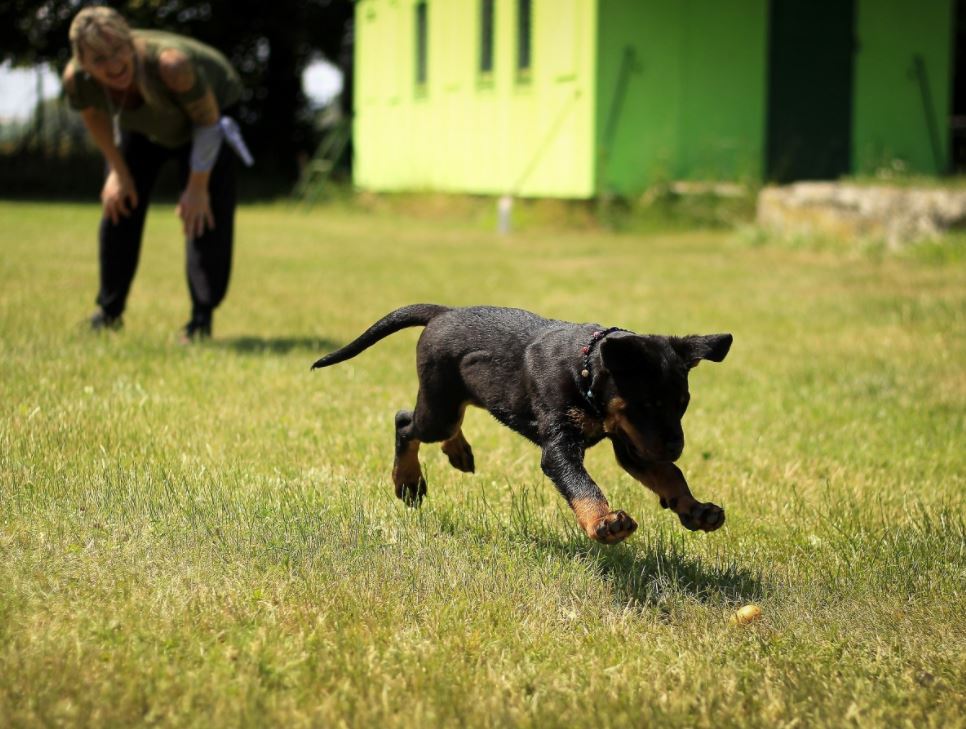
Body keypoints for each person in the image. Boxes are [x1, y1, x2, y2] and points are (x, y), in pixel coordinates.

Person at [63, 6, 251, 341]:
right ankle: (108, 312)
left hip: (207, 119)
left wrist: (196, 188)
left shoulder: (171, 65)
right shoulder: (78, 80)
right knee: (118, 205)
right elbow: (94, 116)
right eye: (100, 60)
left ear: (130, 41)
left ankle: (200, 320)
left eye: (119, 51)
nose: (115, 65)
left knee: (203, 216)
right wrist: (117, 172)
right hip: (143, 127)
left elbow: (207, 123)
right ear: (82, 61)